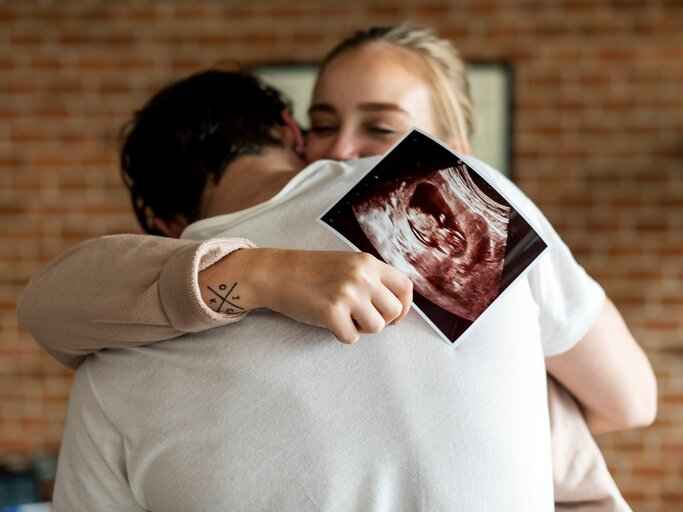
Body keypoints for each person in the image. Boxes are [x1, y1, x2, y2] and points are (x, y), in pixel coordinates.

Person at [17, 25, 654, 510]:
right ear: (292, 132)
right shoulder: (439, 198)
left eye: (380, 128)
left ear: (158, 221)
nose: (345, 153)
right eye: (326, 125)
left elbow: (45, 307)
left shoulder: (113, 359)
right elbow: (628, 398)